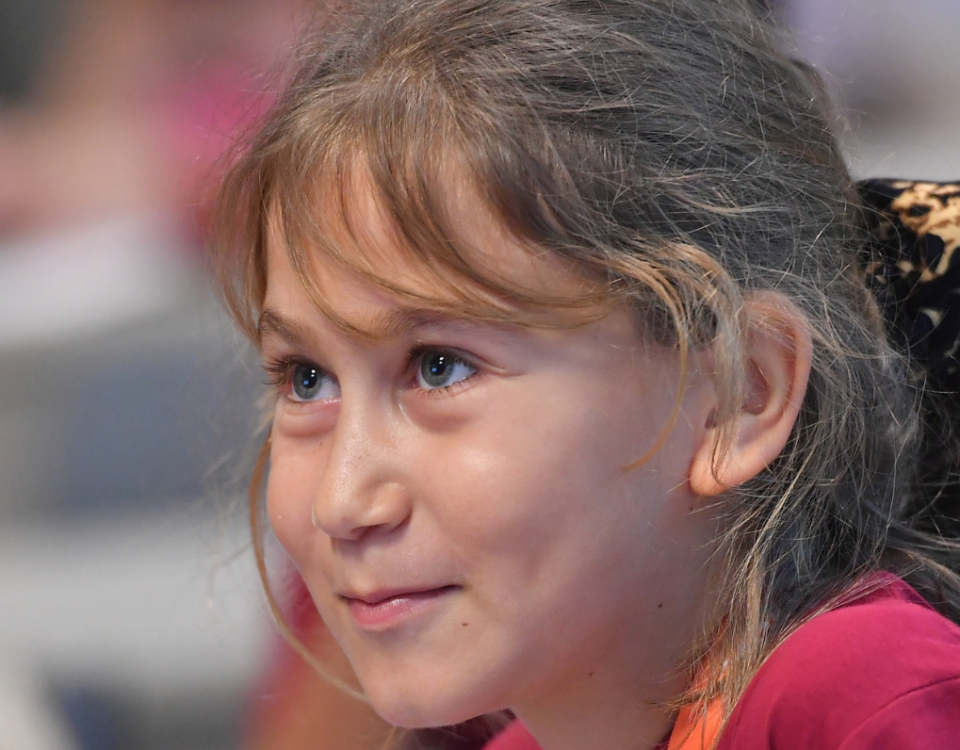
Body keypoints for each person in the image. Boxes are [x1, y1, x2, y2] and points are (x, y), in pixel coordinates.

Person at [213, 1, 960, 748]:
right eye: (307, 379)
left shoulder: (859, 696)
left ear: (741, 394)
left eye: (440, 367)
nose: (342, 502)